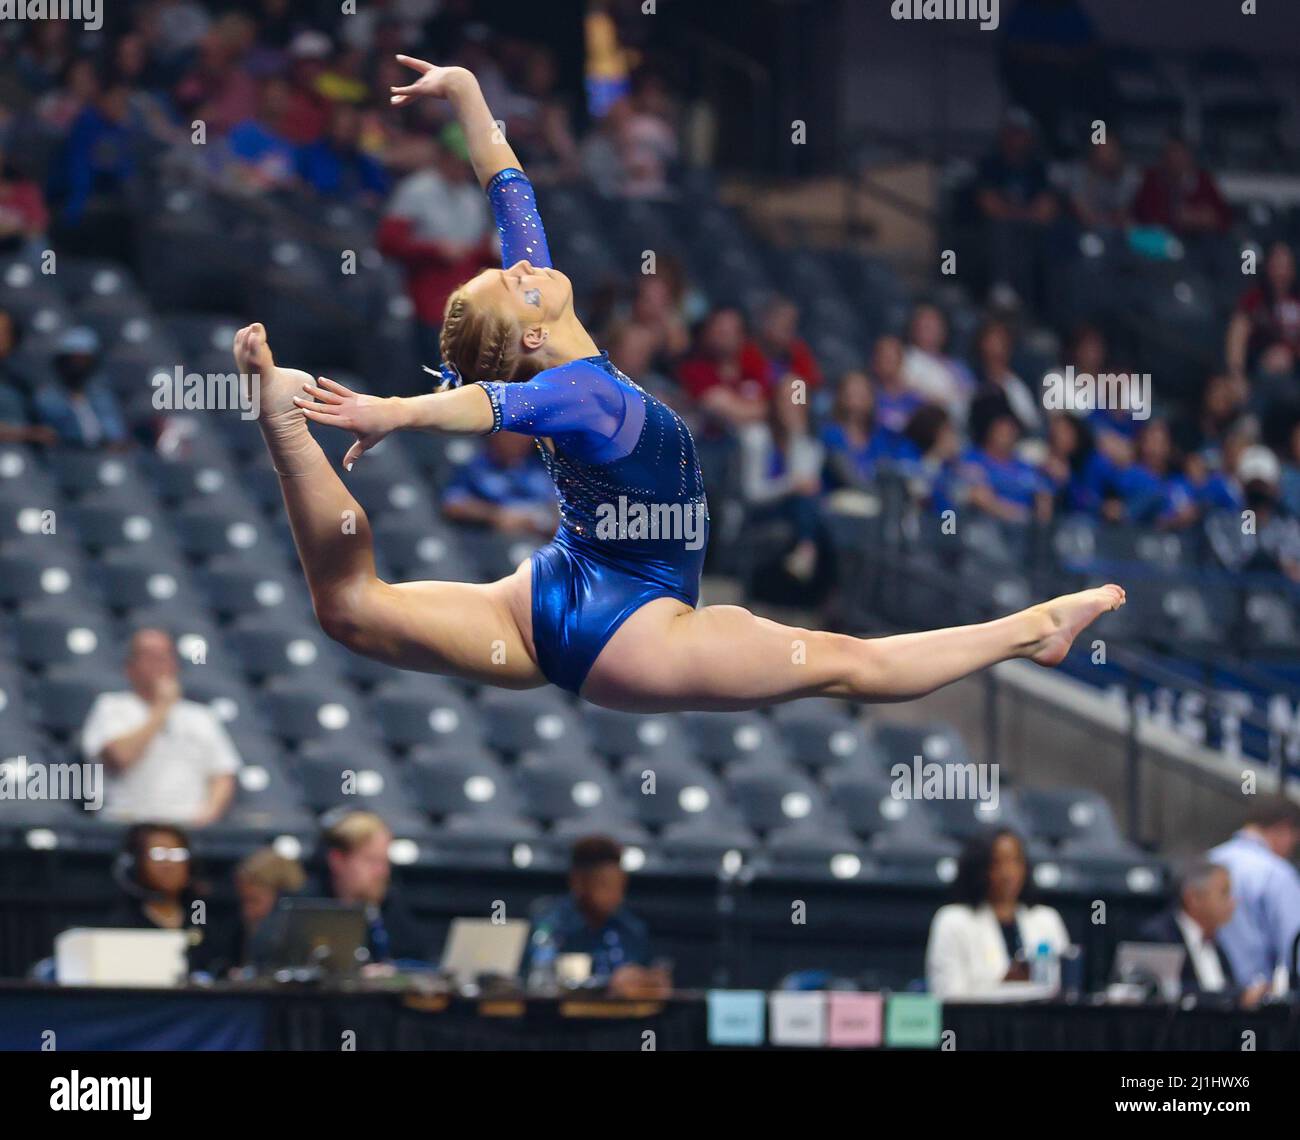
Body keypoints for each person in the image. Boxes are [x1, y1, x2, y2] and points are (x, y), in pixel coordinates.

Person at [231, 55, 1125, 717]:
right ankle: (1033, 626)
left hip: (552, 593)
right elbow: (486, 406)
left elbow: (510, 192)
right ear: (532, 323)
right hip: (635, 627)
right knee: (851, 662)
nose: (519, 263)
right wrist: (395, 411)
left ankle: (283, 428)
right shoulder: (577, 391)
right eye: (512, 277)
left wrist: (466, 92)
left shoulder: (547, 333)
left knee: (352, 610)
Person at [81, 628, 241, 827]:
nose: (158, 665)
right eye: (149, 657)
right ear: (130, 667)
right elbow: (119, 758)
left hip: (186, 827)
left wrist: (207, 814)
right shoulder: (111, 707)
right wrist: (161, 709)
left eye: (164, 657)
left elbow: (223, 773)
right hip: (128, 826)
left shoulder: (201, 716)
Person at [926, 829, 1070, 999]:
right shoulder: (952, 921)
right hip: (976, 1023)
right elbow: (948, 996)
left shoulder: (1046, 920)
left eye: (1015, 862)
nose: (1008, 873)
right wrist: (1003, 985)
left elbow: (1063, 991)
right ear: (979, 868)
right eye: (997, 863)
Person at [520, 835, 668, 998]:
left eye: (620, 887)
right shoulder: (550, 923)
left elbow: (644, 972)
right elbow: (536, 980)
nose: (616, 896)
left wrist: (650, 982)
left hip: (622, 1020)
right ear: (578, 883)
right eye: (606, 886)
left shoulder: (631, 928)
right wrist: (610, 983)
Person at [1138, 860, 1266, 1007]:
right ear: (1194, 898)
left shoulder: (1215, 942)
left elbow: (1223, 987)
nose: (1233, 902)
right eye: (1224, 893)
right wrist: (1238, 998)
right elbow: (1166, 995)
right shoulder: (1159, 937)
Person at [106, 822, 221, 975]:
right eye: (158, 855)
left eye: (177, 854)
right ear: (136, 864)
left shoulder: (199, 914)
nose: (169, 865)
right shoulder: (122, 923)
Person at [1208, 797, 1300, 987]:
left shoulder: (1208, 860)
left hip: (1207, 994)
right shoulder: (1277, 874)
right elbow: (1295, 947)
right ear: (1283, 829)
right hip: (1259, 1001)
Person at [320, 810, 427, 964]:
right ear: (337, 860)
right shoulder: (306, 910)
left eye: (384, 861)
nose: (382, 872)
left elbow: (418, 961)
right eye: (371, 861)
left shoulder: (390, 906)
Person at [441, 429, 557, 538]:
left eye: (523, 437)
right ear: (496, 435)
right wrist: (496, 515)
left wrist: (538, 522)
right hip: (489, 541)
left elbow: (561, 514)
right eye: (510, 436)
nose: (516, 441)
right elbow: (453, 505)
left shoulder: (542, 470)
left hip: (536, 543)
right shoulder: (475, 466)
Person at [34, 327, 130, 449]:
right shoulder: (46, 398)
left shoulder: (102, 394)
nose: (78, 366)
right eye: (73, 359)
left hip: (106, 455)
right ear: (60, 362)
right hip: (69, 457)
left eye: (84, 360)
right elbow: (52, 436)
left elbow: (115, 432)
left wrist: (117, 443)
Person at [227, 847, 307, 973]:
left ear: (281, 897)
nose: (246, 911)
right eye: (243, 901)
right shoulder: (236, 934)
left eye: (254, 900)